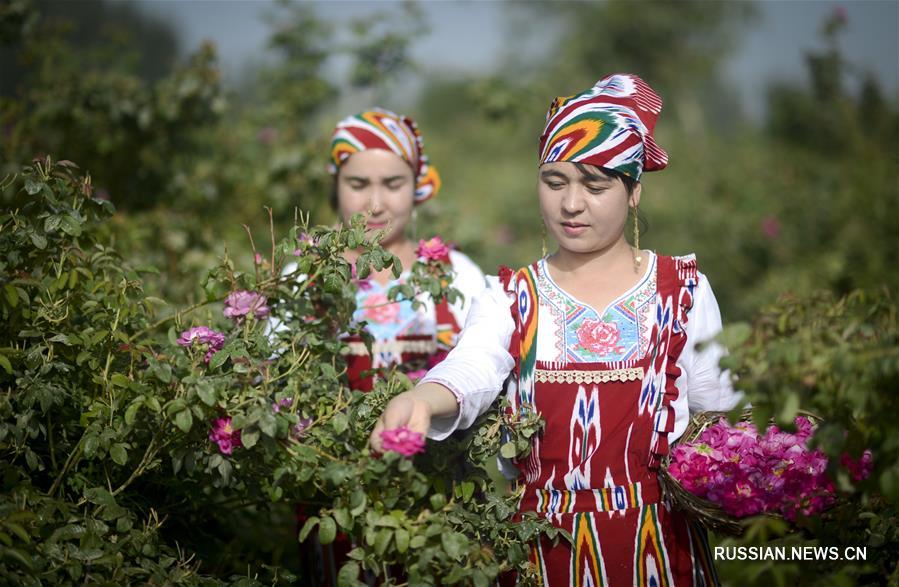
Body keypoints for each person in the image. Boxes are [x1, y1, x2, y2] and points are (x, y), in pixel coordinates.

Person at [370, 74, 744, 585]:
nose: (571, 204)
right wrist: (420, 400)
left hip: (662, 551)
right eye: (555, 182)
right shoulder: (513, 296)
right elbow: (471, 366)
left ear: (634, 191)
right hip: (540, 553)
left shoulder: (682, 292)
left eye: (595, 185)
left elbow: (717, 420)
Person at [325, 108, 485, 391]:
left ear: (415, 187)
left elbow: (482, 371)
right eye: (358, 184)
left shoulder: (458, 273)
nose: (375, 204)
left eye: (393, 184)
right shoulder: (306, 279)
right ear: (336, 186)